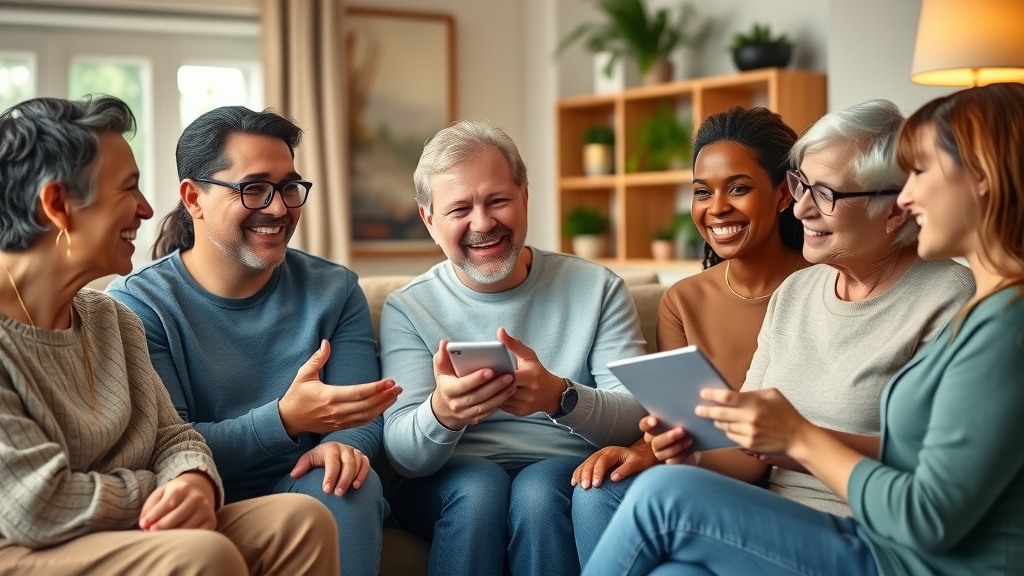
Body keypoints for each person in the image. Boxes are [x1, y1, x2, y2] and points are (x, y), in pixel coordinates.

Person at [582, 81, 1024, 576]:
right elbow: (908, 451)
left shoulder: (978, 310)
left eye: (920, 172)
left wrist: (798, 437)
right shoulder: (797, 293)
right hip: (806, 525)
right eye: (800, 186)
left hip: (884, 544)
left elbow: (928, 505)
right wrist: (697, 453)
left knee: (662, 495)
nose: (799, 209)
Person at [0, 96, 339, 576]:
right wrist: (161, 488)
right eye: (128, 188)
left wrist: (195, 481)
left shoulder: (107, 317)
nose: (146, 208)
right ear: (58, 205)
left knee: (302, 520)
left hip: (126, 524)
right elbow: (36, 506)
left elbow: (174, 437)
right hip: (20, 546)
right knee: (204, 555)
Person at [107, 106, 399, 576]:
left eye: (289, 187)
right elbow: (165, 446)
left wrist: (345, 446)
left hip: (305, 484)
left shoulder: (334, 289)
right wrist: (284, 420)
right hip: (202, 501)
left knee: (344, 482)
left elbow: (359, 411)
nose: (280, 208)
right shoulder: (140, 304)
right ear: (193, 197)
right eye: (254, 189)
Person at [380, 119, 648, 576]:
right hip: (447, 482)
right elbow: (404, 454)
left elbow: (638, 415)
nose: (482, 223)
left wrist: (561, 397)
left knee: (540, 490)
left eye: (498, 200)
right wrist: (443, 412)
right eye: (459, 209)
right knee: (480, 486)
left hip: (561, 471)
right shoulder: (408, 307)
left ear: (525, 196)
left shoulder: (597, 288)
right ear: (429, 219)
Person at [571, 106, 806, 564]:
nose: (717, 208)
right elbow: (681, 423)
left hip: (794, 481)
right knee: (596, 492)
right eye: (702, 192)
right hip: (709, 471)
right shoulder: (681, 302)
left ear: (783, 195)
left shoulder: (826, 288)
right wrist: (643, 448)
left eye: (738, 188)